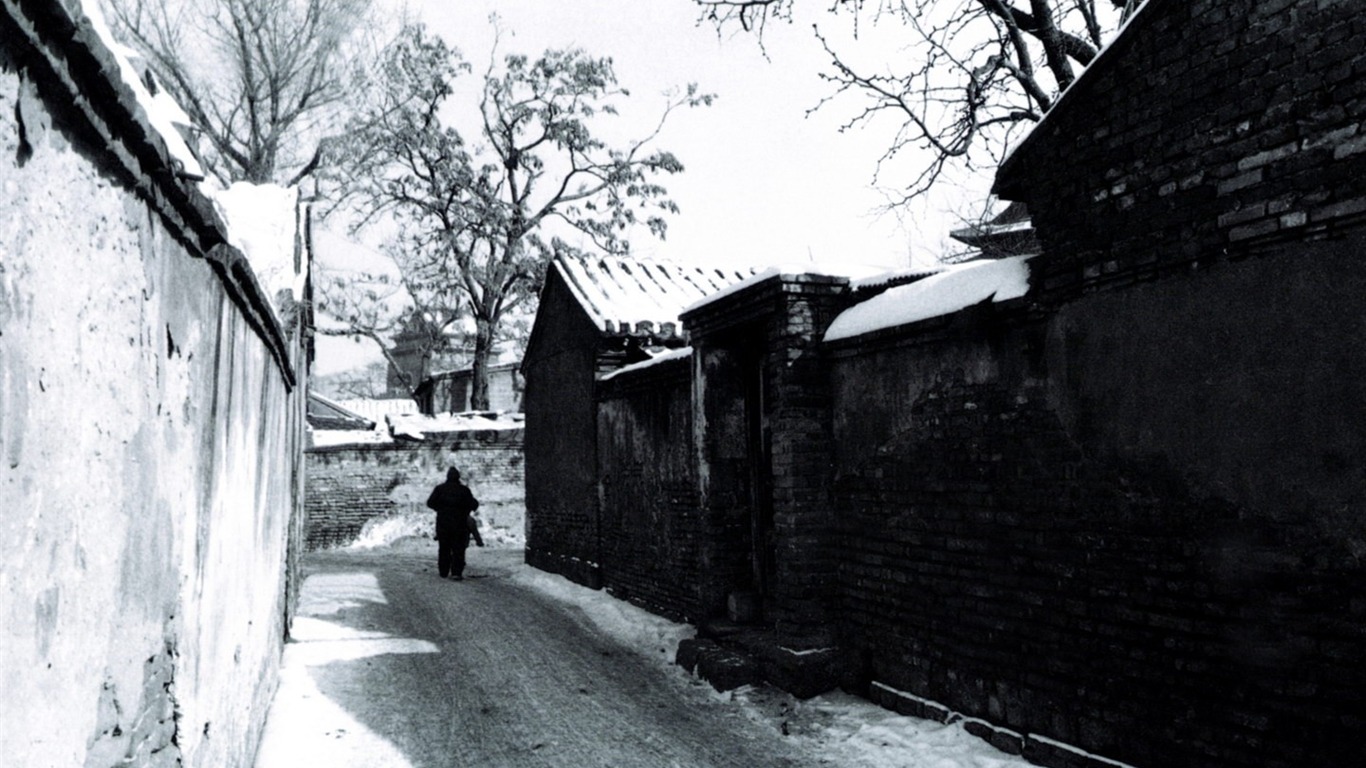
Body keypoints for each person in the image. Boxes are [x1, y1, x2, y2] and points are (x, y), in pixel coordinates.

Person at [426, 467, 484, 580]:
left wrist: (440, 509)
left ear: (447, 477)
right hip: (460, 524)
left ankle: (443, 571)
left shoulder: (439, 489)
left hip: (443, 523)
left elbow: (430, 503)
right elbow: (473, 504)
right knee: (458, 548)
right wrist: (465, 509)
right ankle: (456, 572)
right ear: (458, 477)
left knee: (444, 547)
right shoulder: (464, 490)